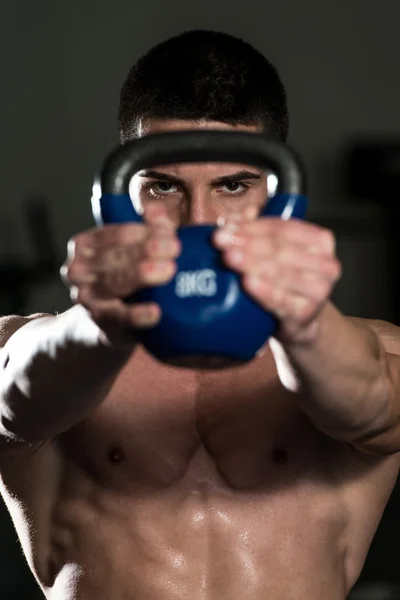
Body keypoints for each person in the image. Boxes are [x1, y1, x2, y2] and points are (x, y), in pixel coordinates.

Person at [0, 29, 400, 600]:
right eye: (163, 187)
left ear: (279, 191)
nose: (197, 223)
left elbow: (370, 406)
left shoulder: (377, 353)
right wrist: (101, 325)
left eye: (233, 185)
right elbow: (14, 399)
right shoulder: (38, 349)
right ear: (120, 191)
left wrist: (302, 324)